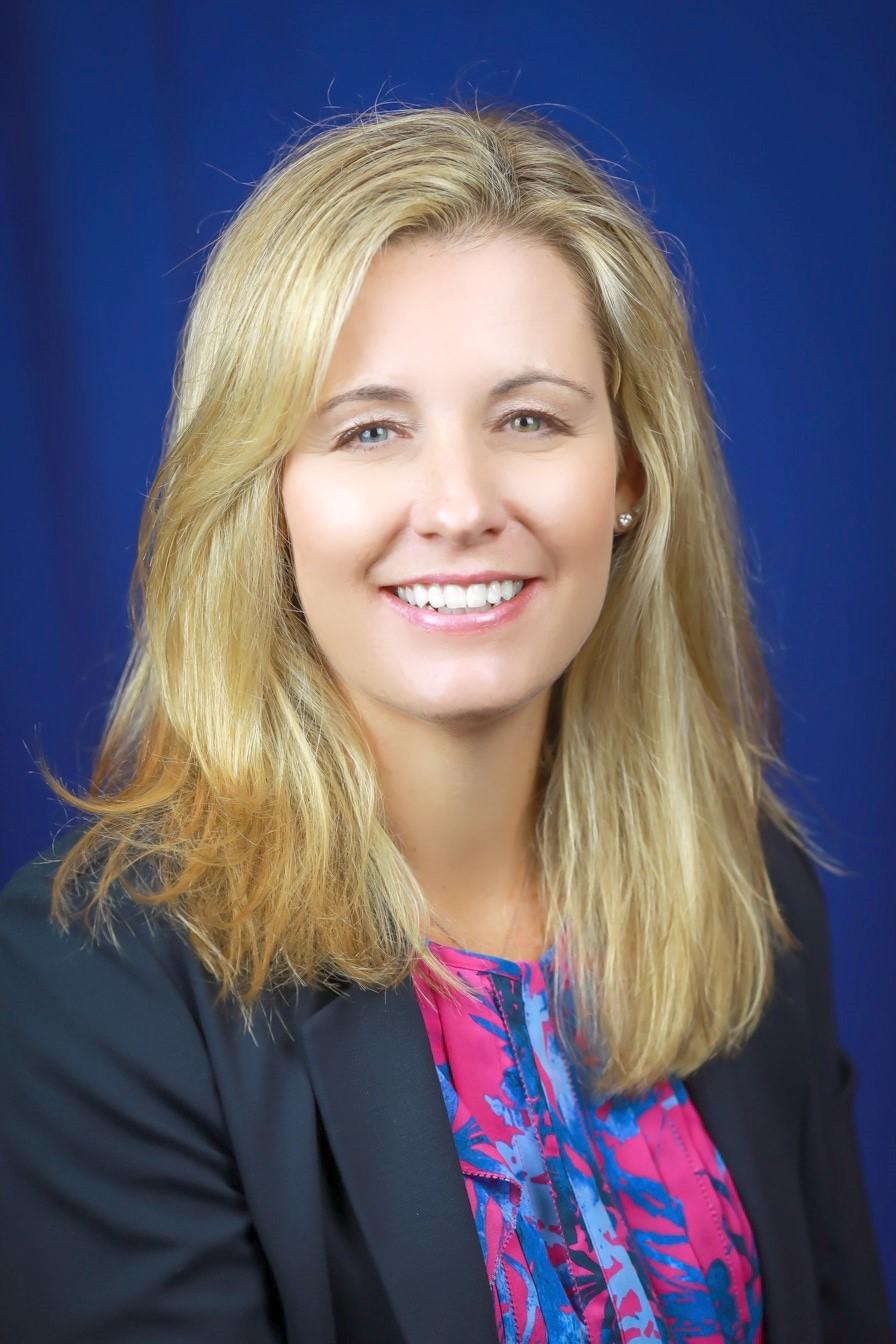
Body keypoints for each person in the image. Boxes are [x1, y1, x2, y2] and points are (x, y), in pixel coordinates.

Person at [0, 101, 891, 1344]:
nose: (459, 505)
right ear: (266, 499)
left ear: (627, 477)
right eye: (370, 431)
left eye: (529, 419)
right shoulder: (90, 981)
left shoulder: (752, 890)